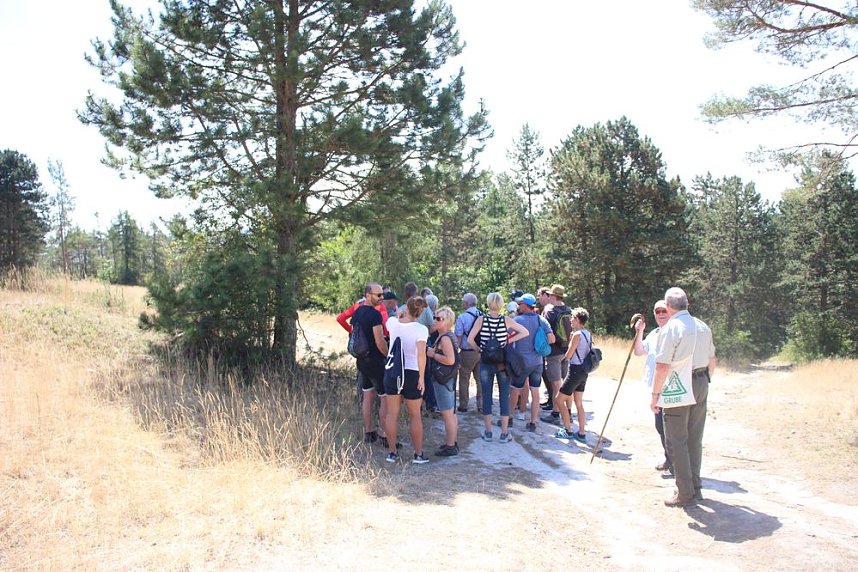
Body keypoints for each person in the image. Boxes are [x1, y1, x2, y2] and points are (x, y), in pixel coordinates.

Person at [651, 287, 717, 507]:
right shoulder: (702, 326)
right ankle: (695, 487)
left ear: (669, 307)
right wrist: (705, 379)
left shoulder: (672, 328)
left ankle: (685, 493)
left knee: (676, 440)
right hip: (701, 380)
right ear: (687, 304)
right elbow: (712, 359)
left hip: (678, 385)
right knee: (694, 438)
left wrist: (655, 394)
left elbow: (662, 365)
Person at [467, 292, 529, 443]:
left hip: (486, 361)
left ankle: (488, 432)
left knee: (487, 395)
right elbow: (525, 332)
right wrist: (509, 340)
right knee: (504, 395)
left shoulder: (481, 320)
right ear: (501, 305)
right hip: (502, 362)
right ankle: (504, 433)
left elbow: (470, 340)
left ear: (488, 304)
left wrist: (479, 349)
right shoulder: (506, 320)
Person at [384, 296, 431, 464]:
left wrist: (399, 314)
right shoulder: (421, 329)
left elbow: (392, 319)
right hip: (412, 372)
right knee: (415, 415)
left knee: (392, 413)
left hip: (392, 371)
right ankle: (418, 454)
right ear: (420, 312)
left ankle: (392, 453)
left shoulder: (393, 323)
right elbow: (421, 355)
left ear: (407, 308)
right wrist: (422, 378)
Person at [633, 299, 673, 476]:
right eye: (658, 312)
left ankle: (674, 462)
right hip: (655, 386)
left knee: (668, 426)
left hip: (669, 386)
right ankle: (669, 458)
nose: (661, 314)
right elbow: (639, 351)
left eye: (664, 311)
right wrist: (639, 332)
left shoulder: (673, 332)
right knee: (660, 426)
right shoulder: (655, 333)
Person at [348, 283, 390, 445]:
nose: (381, 298)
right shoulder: (374, 315)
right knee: (385, 398)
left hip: (362, 360)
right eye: (378, 295)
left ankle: (368, 431)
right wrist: (389, 356)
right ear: (367, 295)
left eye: (382, 295)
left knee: (367, 396)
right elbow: (380, 341)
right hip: (375, 361)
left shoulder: (357, 313)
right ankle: (384, 434)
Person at [511, 293, 555, 432]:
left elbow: (507, 337)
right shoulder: (541, 320)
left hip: (521, 362)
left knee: (515, 389)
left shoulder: (517, 320)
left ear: (526, 306)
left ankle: (509, 418)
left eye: (520, 304)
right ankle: (533, 422)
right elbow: (552, 339)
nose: (518, 306)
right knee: (535, 391)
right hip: (537, 362)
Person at [554, 307, 593, 443]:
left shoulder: (577, 335)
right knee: (579, 403)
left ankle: (568, 430)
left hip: (575, 370)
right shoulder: (588, 333)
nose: (570, 320)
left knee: (559, 399)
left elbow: (569, 355)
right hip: (584, 371)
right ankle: (581, 433)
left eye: (572, 318)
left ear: (577, 319)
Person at [427, 306, 459, 456]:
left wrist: (433, 355)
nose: (435, 320)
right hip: (446, 379)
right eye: (435, 317)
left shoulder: (445, 338)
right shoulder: (446, 335)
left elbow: (450, 360)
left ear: (447, 321)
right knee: (450, 413)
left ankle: (451, 445)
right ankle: (451, 442)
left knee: (447, 414)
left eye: (438, 318)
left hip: (443, 379)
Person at [541, 284, 573, 424]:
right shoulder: (569, 310)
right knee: (566, 384)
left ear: (553, 297)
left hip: (554, 352)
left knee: (556, 385)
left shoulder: (551, 312)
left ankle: (555, 413)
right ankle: (568, 412)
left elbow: (546, 333)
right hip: (567, 350)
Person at [455, 293, 483, 413]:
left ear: (466, 303)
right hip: (481, 351)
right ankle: (481, 405)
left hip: (467, 352)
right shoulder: (483, 315)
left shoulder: (462, 317)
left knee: (464, 378)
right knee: (480, 379)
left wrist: (456, 351)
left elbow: (459, 337)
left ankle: (463, 405)